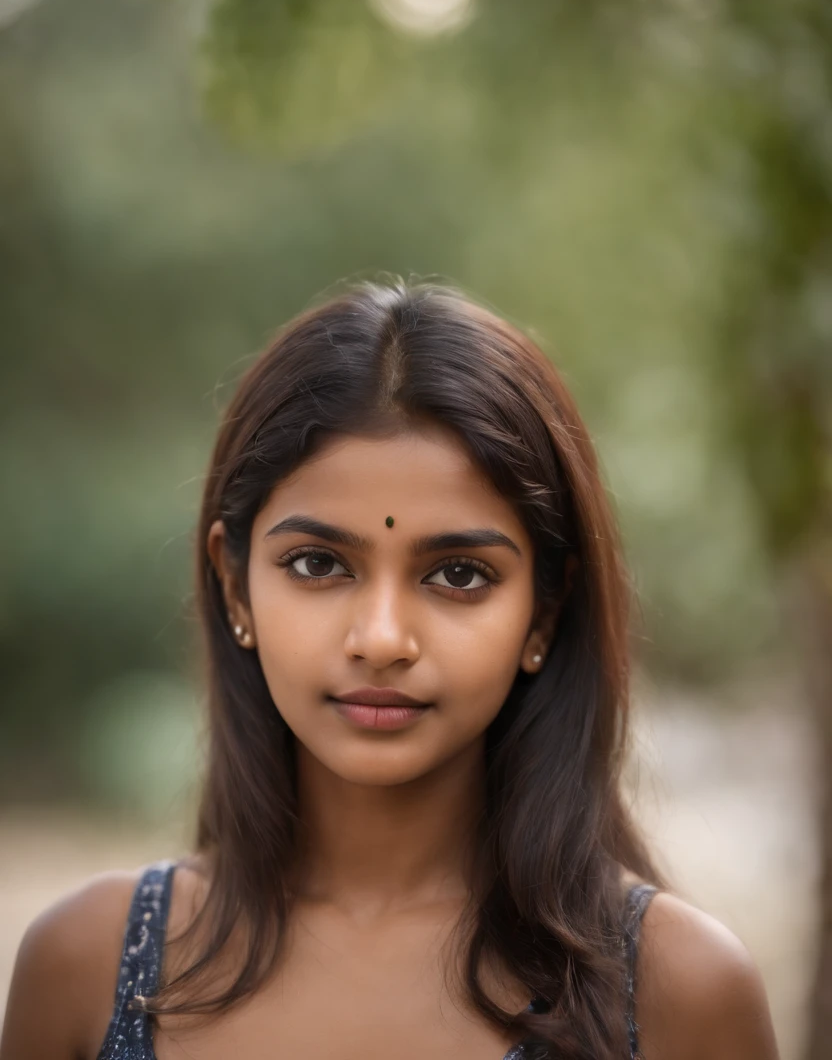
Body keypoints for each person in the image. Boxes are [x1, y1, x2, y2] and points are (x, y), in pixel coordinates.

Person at [1, 279, 779, 1060]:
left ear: (543, 611)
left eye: (460, 575)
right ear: (235, 585)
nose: (381, 638)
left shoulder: (678, 995)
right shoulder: (87, 971)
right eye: (317, 563)